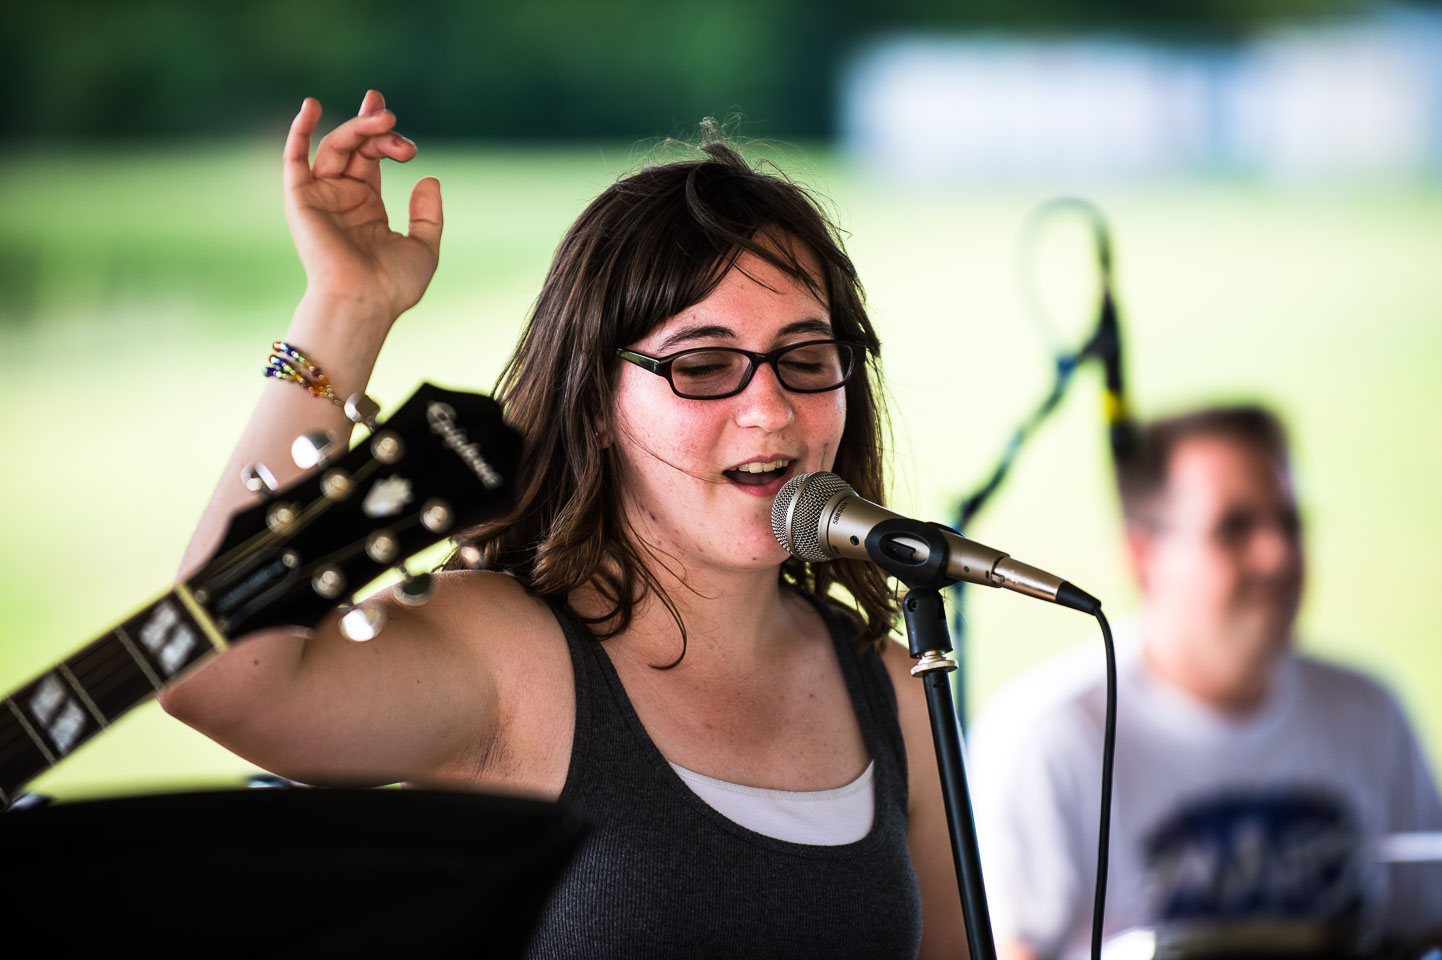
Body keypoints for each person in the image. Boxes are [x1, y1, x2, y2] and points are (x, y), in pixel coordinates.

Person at [159, 90, 966, 957]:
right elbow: (213, 674)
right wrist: (345, 310)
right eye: (702, 365)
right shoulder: (504, 652)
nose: (770, 409)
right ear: (595, 405)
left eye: (805, 358)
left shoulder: (896, 688)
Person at [967, 405, 1442, 958]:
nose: (1277, 556)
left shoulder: (1370, 711)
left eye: (1289, 523)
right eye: (1234, 528)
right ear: (1144, 558)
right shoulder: (1048, 736)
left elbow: (1425, 926)